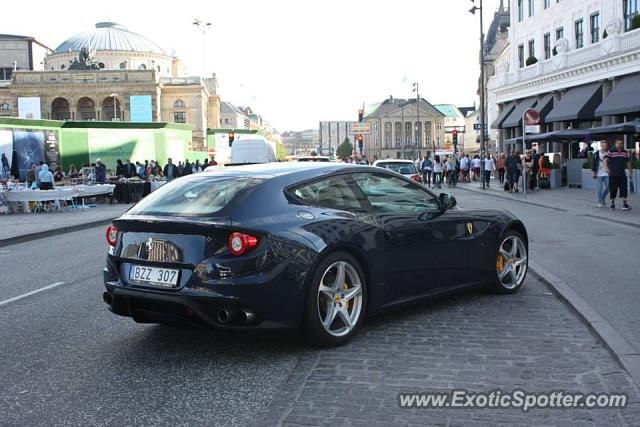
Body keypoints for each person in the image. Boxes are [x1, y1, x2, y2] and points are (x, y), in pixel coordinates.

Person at [604, 139, 632, 210]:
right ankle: (612, 204)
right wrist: (606, 168)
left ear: (622, 144)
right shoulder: (611, 151)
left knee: (624, 189)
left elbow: (628, 161)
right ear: (615, 144)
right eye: (618, 143)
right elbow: (605, 160)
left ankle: (624, 204)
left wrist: (630, 170)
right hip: (613, 174)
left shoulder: (625, 152)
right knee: (613, 189)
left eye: (620, 144)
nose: (619, 145)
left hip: (622, 174)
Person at [591, 141, 609, 208]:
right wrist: (593, 172)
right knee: (599, 188)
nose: (604, 147)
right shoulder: (596, 154)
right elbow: (593, 164)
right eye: (603, 145)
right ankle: (599, 201)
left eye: (605, 145)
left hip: (606, 173)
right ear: (600, 146)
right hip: (598, 173)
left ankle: (602, 198)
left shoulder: (608, 154)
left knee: (608, 187)